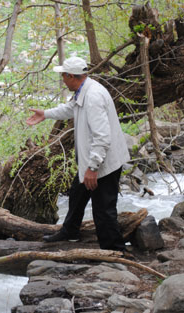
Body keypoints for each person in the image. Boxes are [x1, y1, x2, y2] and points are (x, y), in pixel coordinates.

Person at [26, 56, 130, 251]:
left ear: (72, 76)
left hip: (103, 164)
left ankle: (115, 251)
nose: (63, 80)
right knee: (77, 193)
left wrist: (92, 168)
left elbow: (102, 137)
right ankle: (70, 231)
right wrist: (45, 114)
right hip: (91, 160)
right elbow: (69, 109)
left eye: (63, 76)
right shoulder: (84, 89)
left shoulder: (93, 97)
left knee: (103, 210)